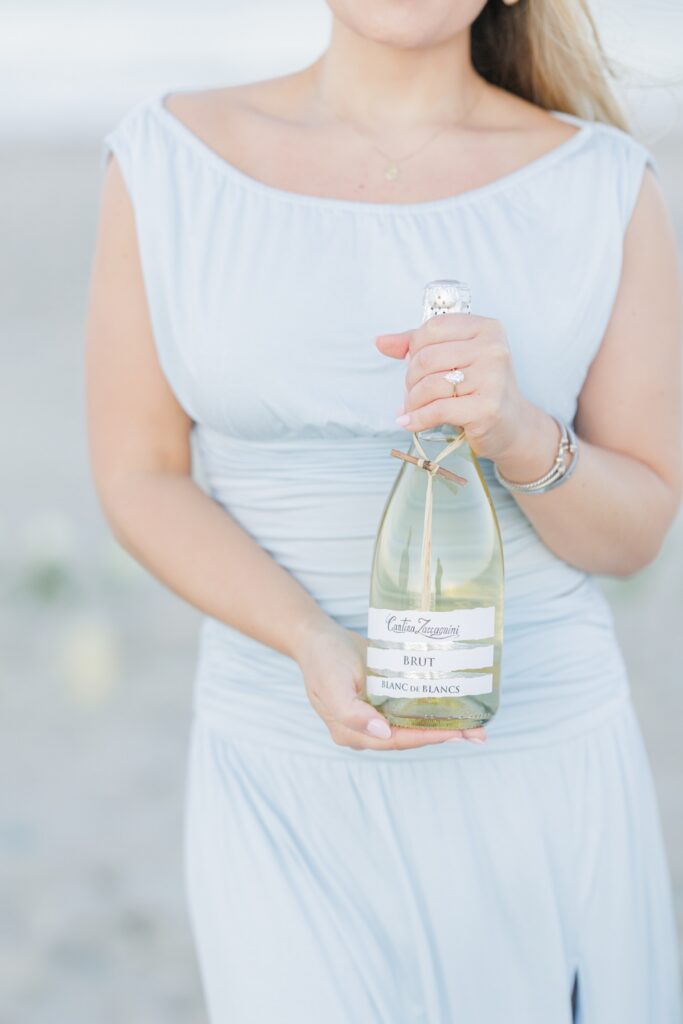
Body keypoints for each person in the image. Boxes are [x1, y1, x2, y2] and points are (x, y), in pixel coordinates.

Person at [85, 0, 683, 1020]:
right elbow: (139, 474)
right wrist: (309, 640)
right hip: (282, 769)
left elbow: (635, 531)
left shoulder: (599, 184)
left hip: (533, 769)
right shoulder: (167, 160)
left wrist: (520, 433)